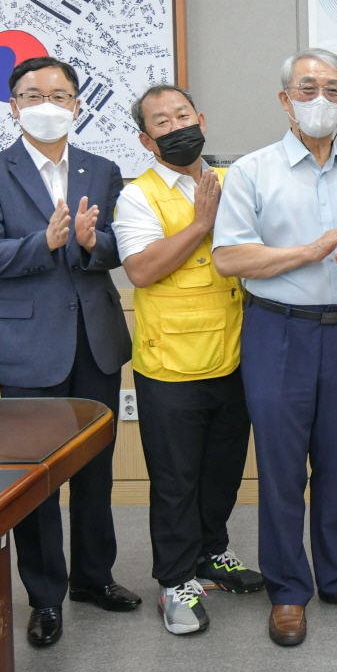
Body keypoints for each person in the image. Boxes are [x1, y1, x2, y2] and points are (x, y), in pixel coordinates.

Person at [212, 48, 337, 647]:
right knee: (282, 466)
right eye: (307, 88)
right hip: (277, 332)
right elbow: (230, 257)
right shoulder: (251, 172)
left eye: (333, 90)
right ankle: (288, 589)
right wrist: (311, 251)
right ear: (285, 99)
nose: (320, 100)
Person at [0, 55, 139, 648]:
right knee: (36, 475)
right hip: (28, 344)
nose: (48, 105)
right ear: (13, 106)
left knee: (94, 469)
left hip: (95, 339)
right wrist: (44, 242)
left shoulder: (102, 169)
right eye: (34, 95)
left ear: (77, 105)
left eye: (59, 95)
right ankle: (44, 596)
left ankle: (94, 578)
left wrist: (90, 243)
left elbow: (119, 247)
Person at [113, 84, 263, 636]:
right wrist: (200, 224)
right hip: (170, 365)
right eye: (162, 121)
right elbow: (140, 270)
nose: (176, 126)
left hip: (236, 355)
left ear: (200, 119)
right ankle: (175, 579)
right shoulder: (138, 196)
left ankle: (211, 554)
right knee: (176, 479)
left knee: (223, 470)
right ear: (146, 140)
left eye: (183, 115)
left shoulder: (231, 182)